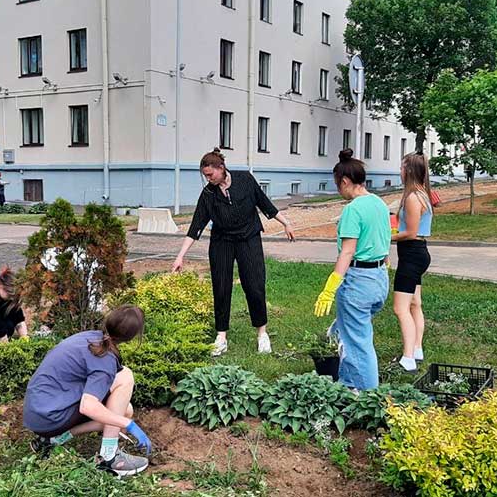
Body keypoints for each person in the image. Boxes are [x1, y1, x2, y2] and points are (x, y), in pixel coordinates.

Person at [172, 148, 295, 356]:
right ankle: (221, 337)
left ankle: (262, 333)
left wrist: (286, 223)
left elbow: (265, 204)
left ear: (221, 168)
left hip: (249, 239)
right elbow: (196, 226)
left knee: (255, 285)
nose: (208, 179)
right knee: (221, 287)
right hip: (222, 242)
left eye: (210, 174)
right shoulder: (208, 194)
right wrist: (180, 255)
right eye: (205, 176)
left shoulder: (245, 180)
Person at [23, 305, 152, 477]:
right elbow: (88, 407)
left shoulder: (89, 337)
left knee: (124, 410)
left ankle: (52, 441)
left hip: (36, 412)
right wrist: (127, 424)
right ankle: (109, 458)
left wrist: (122, 418)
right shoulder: (105, 360)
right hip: (49, 417)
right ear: (132, 337)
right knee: (125, 377)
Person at [313, 150, 390, 391]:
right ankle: (348, 383)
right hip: (379, 280)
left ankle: (367, 396)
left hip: (358, 282)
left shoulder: (353, 210)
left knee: (358, 343)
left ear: (345, 182)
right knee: (350, 330)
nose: (339, 191)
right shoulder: (379, 203)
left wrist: (329, 289)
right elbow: (386, 243)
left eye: (338, 186)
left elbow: (347, 252)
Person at [391, 153, 433, 373]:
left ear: (408, 171)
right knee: (415, 303)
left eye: (401, 168)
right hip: (417, 254)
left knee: (400, 308)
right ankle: (417, 348)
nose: (399, 172)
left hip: (412, 255)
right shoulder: (421, 193)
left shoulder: (413, 198)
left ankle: (408, 358)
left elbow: (410, 232)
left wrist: (387, 237)